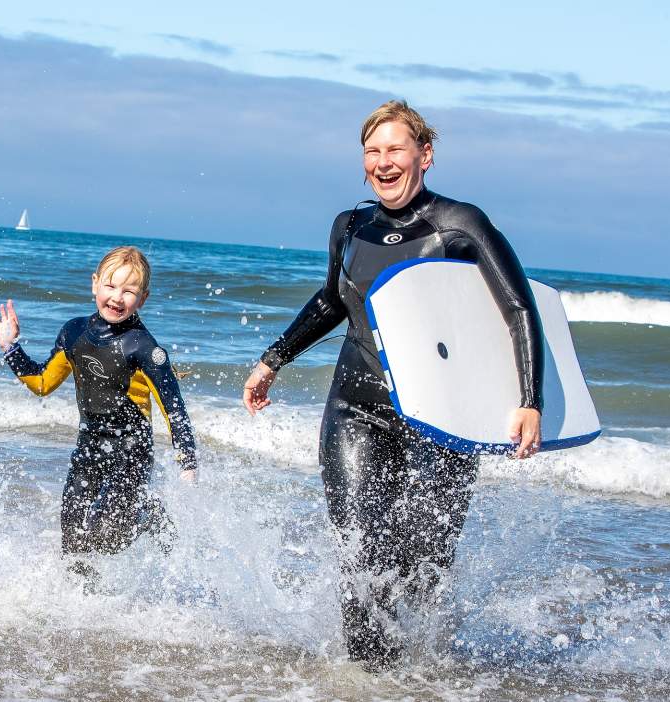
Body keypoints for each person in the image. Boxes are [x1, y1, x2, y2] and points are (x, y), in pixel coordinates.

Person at [241, 100, 543, 666]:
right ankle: (368, 680)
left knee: (421, 562)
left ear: (424, 156)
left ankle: (419, 668)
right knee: (361, 559)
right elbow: (332, 299)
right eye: (372, 152)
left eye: (395, 149)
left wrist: (530, 401)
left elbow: (518, 310)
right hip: (356, 409)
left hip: (441, 420)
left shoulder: (460, 224)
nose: (383, 162)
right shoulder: (350, 227)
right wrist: (272, 359)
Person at [0, 246, 198, 578]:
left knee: (105, 537)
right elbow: (42, 382)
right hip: (88, 448)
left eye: (129, 291)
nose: (117, 298)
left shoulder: (143, 347)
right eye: (111, 286)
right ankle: (84, 606)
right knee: (72, 540)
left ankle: (148, 515)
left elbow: (173, 407)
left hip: (132, 454)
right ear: (95, 284)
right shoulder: (73, 333)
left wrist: (188, 460)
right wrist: (10, 347)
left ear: (142, 299)